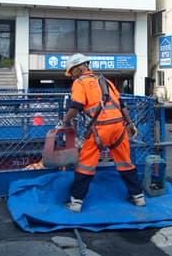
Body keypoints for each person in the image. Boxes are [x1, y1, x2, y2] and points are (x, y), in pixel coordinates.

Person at [57, 53, 146, 213]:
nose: (71, 76)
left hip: (99, 129)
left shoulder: (80, 82)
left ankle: (76, 202)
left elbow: (76, 105)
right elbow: (122, 105)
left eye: (72, 72)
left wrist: (63, 122)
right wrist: (130, 124)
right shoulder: (106, 81)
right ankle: (138, 197)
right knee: (125, 162)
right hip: (119, 128)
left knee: (86, 165)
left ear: (78, 68)